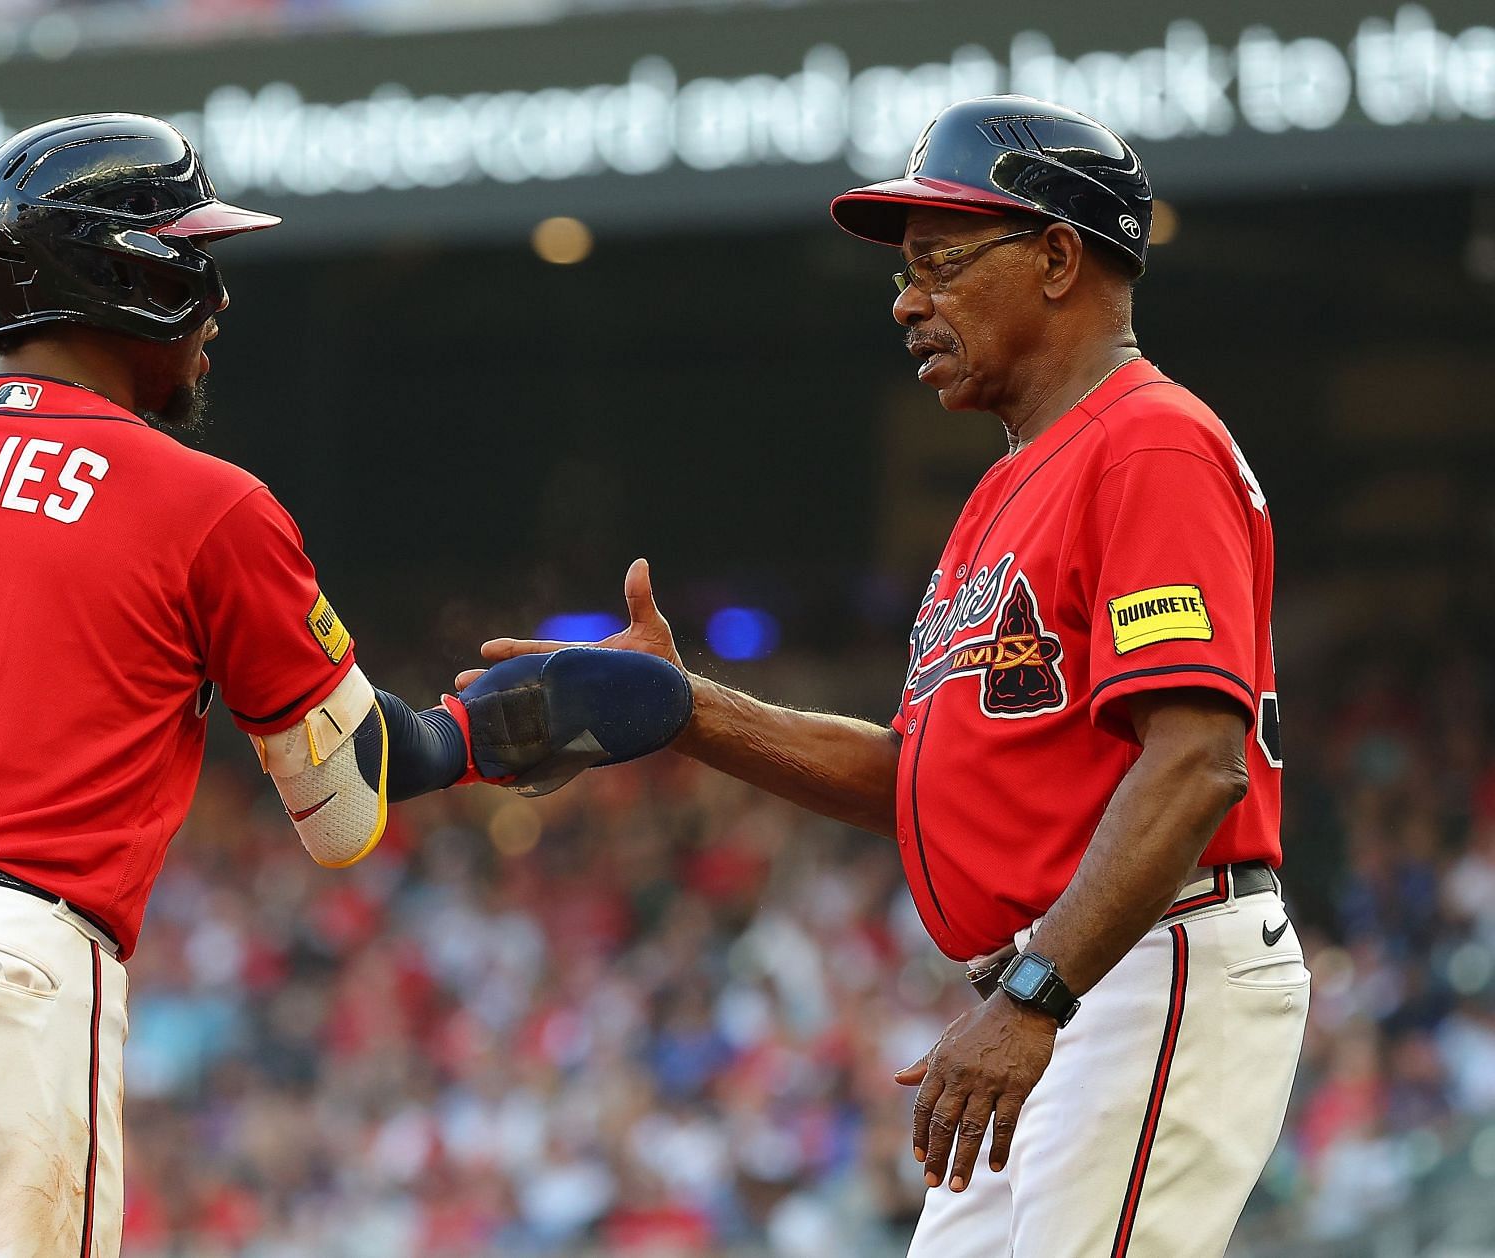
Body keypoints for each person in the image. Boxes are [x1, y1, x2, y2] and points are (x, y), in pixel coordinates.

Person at [0, 113, 688, 1258]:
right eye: (198, 260)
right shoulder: (203, 503)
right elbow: (347, 803)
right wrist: (501, 727)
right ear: (129, 277)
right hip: (2, 955)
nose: (217, 305)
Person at [469, 96, 1307, 1256]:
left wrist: (1034, 994)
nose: (907, 299)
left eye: (942, 261)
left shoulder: (1148, 443)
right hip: (1064, 977)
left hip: (1143, 962)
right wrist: (685, 708)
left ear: (1059, 257)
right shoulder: (1007, 489)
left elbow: (1198, 758)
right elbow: (921, 782)